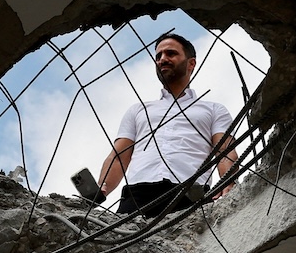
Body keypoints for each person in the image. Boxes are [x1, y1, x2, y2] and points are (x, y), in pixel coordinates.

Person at [96, 33, 238, 217]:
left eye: (171, 53)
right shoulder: (139, 109)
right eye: (158, 56)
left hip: (190, 194)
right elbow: (119, 157)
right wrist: (101, 188)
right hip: (137, 196)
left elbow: (225, 151)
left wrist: (228, 182)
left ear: (191, 63)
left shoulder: (213, 110)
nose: (162, 59)